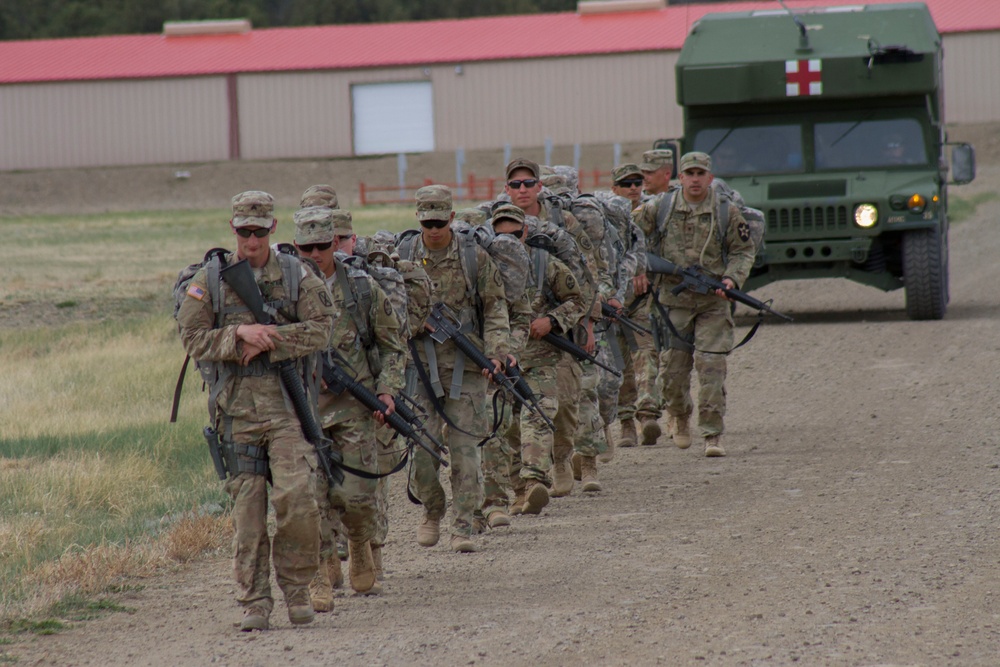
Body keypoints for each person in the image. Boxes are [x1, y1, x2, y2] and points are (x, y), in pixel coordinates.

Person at [177, 191, 334, 631]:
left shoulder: (297, 273)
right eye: (244, 231)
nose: (251, 239)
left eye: (259, 231)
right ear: (233, 229)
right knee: (248, 516)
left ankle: (297, 590)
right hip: (237, 413)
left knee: (298, 501)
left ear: (272, 229)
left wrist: (271, 338)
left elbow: (323, 329)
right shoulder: (210, 279)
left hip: (287, 408)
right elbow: (191, 337)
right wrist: (237, 335)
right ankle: (255, 601)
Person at [293, 206, 406, 608]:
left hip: (353, 407)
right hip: (299, 411)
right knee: (310, 498)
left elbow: (394, 344)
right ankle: (320, 571)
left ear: (335, 243)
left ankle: (360, 542)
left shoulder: (359, 286)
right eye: (305, 247)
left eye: (322, 245)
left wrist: (388, 390)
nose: (314, 254)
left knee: (357, 497)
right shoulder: (281, 288)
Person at [402, 184, 510, 553]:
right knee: (421, 451)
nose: (433, 229)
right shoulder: (402, 258)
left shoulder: (473, 258)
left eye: (439, 221)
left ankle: (462, 524)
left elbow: (496, 307)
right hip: (418, 369)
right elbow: (386, 315)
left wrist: (496, 353)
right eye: (427, 222)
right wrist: (418, 324)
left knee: (466, 451)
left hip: (465, 368)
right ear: (418, 219)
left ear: (451, 217)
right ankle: (432, 509)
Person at [632, 153, 755, 457]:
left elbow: (743, 251)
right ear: (680, 177)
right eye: (690, 173)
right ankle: (680, 415)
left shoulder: (725, 211)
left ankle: (712, 434)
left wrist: (731, 280)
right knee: (672, 375)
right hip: (674, 303)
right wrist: (637, 269)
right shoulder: (660, 207)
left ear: (710, 177)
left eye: (701, 173)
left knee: (711, 368)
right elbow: (628, 235)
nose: (696, 179)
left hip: (713, 302)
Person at [493, 203, 587, 510]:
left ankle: (534, 480)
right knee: (506, 424)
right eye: (500, 236)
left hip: (542, 355)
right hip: (501, 360)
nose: (509, 242)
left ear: (526, 232)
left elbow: (577, 300)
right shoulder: (484, 267)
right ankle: (518, 489)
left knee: (540, 412)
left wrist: (553, 320)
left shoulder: (545, 264)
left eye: (515, 234)